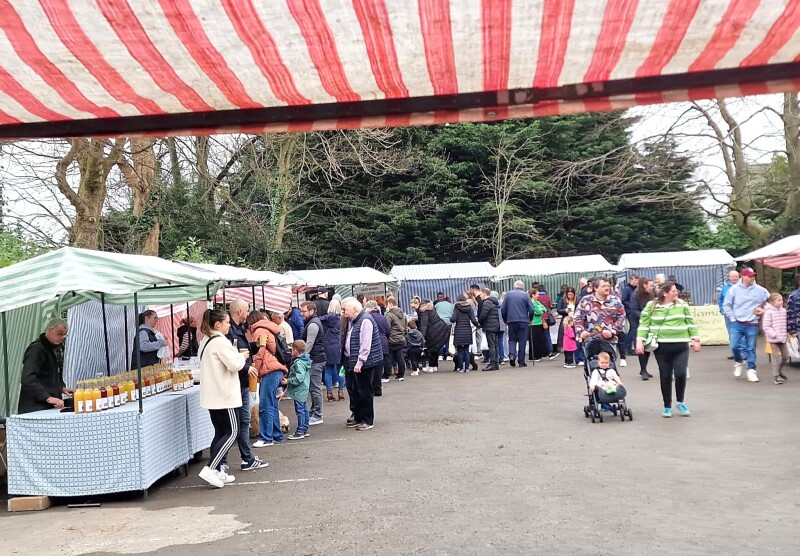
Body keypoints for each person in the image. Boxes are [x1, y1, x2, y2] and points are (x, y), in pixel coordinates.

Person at [197, 309, 252, 488]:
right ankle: (211, 468)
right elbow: (235, 364)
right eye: (227, 322)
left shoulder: (206, 340)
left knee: (220, 433)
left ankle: (219, 470)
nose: (229, 325)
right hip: (224, 395)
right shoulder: (220, 341)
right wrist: (241, 357)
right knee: (231, 432)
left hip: (213, 396)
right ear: (218, 324)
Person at [636, 282, 701, 418]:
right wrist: (639, 341)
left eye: (676, 291)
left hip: (681, 345)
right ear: (665, 293)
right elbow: (644, 324)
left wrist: (695, 340)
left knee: (681, 373)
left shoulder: (682, 305)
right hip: (661, 346)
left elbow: (690, 322)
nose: (676, 293)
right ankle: (667, 406)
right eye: (673, 291)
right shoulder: (652, 306)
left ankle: (680, 402)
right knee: (665, 375)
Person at [225, 300, 267, 472]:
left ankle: (247, 458)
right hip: (236, 381)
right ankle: (222, 463)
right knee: (231, 426)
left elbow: (240, 350)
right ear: (240, 311)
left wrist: (253, 346)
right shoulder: (229, 332)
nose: (248, 313)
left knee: (243, 421)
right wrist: (245, 365)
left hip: (242, 380)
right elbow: (230, 357)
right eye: (247, 310)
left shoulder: (237, 329)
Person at [247, 311, 288, 448]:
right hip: (275, 368)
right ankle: (277, 434)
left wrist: (256, 372)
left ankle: (266, 437)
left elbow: (259, 354)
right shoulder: (269, 328)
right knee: (272, 403)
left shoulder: (259, 331)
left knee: (265, 404)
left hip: (269, 369)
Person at [342, 297, 383, 430]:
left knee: (364, 391)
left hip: (365, 363)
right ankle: (360, 418)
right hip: (355, 361)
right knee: (357, 390)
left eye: (346, 310)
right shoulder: (356, 320)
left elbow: (366, 345)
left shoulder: (365, 320)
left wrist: (360, 362)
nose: (345, 313)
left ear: (354, 309)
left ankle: (367, 420)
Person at [723, 267, 770, 383]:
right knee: (734, 346)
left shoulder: (761, 290)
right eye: (750, 276)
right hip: (737, 322)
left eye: (753, 275)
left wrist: (763, 309)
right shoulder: (734, 289)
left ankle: (751, 370)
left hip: (752, 323)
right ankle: (739, 361)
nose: (752, 278)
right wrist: (732, 318)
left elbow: (770, 302)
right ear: (743, 277)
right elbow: (727, 305)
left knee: (751, 348)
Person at [18, 318, 72, 414]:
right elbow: (28, 378)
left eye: (64, 335)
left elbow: (49, 375)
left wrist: (61, 388)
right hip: (34, 407)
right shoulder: (36, 349)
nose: (62, 337)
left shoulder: (52, 348)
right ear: (50, 330)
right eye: (59, 333)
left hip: (47, 406)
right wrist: (47, 397)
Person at [574, 278, 626, 345]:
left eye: (608, 286)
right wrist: (581, 331)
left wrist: (613, 331)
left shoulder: (615, 301)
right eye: (604, 286)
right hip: (590, 341)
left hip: (610, 341)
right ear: (595, 288)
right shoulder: (586, 300)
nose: (607, 288)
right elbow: (578, 317)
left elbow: (622, 317)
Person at [299, 301, 326, 424]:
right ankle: (314, 411)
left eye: (304, 311)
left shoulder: (313, 324)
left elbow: (309, 344)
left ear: (312, 311)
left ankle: (317, 415)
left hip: (315, 359)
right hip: (315, 358)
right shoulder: (312, 323)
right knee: (313, 388)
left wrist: (302, 358)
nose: (301, 313)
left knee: (315, 388)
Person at [501, 280, 533, 367]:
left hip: (511, 320)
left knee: (512, 339)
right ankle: (521, 361)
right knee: (522, 341)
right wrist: (530, 318)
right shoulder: (526, 295)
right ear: (523, 287)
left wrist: (505, 319)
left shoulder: (508, 294)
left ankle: (512, 355)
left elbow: (503, 309)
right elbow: (531, 309)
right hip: (523, 321)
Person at [414, 298, 449, 372]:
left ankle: (431, 366)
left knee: (431, 349)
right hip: (440, 329)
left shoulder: (424, 311)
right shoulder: (430, 309)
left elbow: (424, 325)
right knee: (435, 349)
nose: (414, 308)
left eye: (414, 307)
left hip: (433, 332)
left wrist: (421, 337)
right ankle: (434, 366)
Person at [321, 299, 345, 402]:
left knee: (328, 370)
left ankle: (329, 392)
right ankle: (340, 391)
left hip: (327, 345)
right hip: (339, 345)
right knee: (341, 369)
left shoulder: (325, 319)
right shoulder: (342, 319)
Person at [762, 293, 789, 385]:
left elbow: (786, 323)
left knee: (785, 356)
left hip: (782, 338)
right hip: (773, 339)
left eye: (782, 300)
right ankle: (776, 376)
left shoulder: (784, 311)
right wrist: (774, 334)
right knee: (775, 357)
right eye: (778, 300)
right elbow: (766, 326)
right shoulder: (768, 312)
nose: (781, 302)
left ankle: (779, 371)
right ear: (772, 302)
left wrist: (786, 333)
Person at [287, 340, 311, 439]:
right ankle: (305, 429)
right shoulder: (305, 361)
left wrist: (288, 381)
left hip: (299, 390)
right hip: (304, 389)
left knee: (300, 410)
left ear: (296, 350)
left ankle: (300, 431)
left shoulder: (299, 363)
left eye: (292, 349)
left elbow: (298, 378)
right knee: (304, 409)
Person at [632, 278, 655, 380]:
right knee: (641, 349)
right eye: (650, 285)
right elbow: (633, 310)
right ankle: (643, 370)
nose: (652, 287)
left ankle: (644, 369)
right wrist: (644, 316)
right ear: (644, 285)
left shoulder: (651, 295)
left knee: (648, 347)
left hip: (649, 324)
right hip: (638, 324)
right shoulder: (635, 295)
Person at [365, 300, 391, 392]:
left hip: (373, 343)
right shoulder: (383, 317)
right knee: (380, 366)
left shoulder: (368, 318)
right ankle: (378, 389)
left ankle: (372, 389)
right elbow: (388, 330)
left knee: (372, 368)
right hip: (383, 342)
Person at [451, 294, 480, 373]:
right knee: (467, 351)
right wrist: (478, 325)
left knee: (460, 351)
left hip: (459, 331)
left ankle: (461, 368)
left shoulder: (456, 308)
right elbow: (473, 320)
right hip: (467, 331)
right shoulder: (469, 308)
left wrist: (451, 318)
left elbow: (453, 319)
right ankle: (467, 368)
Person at [384, 297, 408, 381]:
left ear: (390, 304)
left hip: (391, 339)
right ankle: (401, 375)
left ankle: (386, 376)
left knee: (388, 358)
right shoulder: (403, 314)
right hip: (401, 339)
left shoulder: (389, 315)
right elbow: (406, 327)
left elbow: (387, 328)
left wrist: (387, 337)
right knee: (400, 357)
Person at [478, 288, 500, 371]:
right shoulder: (493, 302)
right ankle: (496, 363)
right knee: (495, 345)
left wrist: (479, 323)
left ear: (484, 293)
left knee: (491, 346)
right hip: (495, 325)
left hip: (490, 326)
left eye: (481, 294)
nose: (480, 296)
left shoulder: (487, 303)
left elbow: (483, 315)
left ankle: (493, 363)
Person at [528, 289, 549, 361]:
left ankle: (539, 354)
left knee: (540, 340)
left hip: (539, 323)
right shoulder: (531, 303)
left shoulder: (537, 302)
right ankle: (534, 356)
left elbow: (544, 309)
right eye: (537, 294)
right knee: (534, 340)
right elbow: (538, 311)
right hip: (533, 323)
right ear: (533, 295)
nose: (538, 296)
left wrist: (540, 309)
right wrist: (540, 309)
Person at [556, 288, 577, 357]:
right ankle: (568, 355)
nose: (570, 296)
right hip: (566, 321)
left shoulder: (577, 300)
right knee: (567, 337)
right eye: (569, 294)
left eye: (571, 295)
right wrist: (565, 310)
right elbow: (558, 309)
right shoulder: (563, 300)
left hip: (575, 320)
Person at [620, 275, 639, 349]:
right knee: (633, 329)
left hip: (634, 311)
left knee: (633, 329)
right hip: (629, 312)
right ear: (631, 280)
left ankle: (629, 346)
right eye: (635, 280)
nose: (636, 282)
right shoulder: (627, 289)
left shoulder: (635, 289)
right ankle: (627, 346)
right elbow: (623, 300)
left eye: (637, 280)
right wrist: (631, 306)